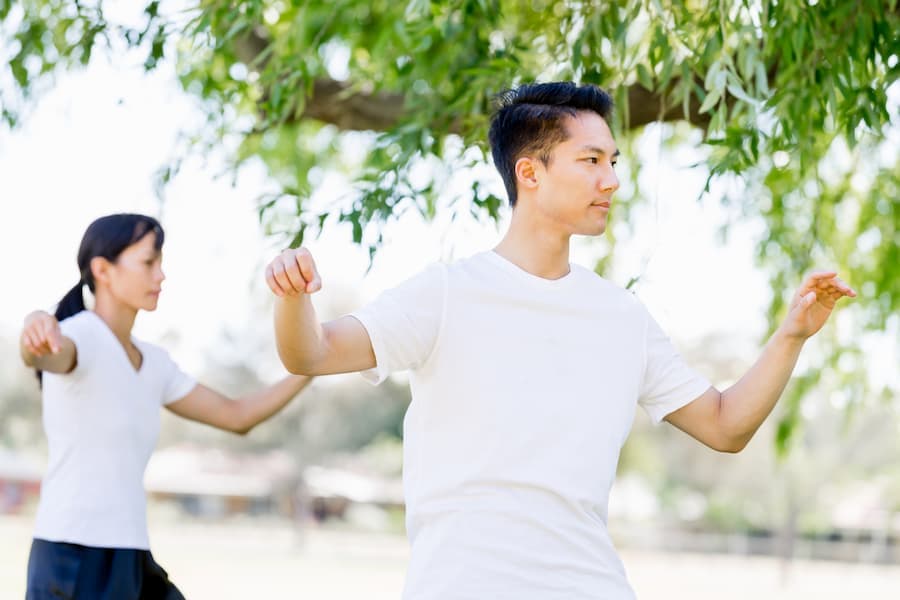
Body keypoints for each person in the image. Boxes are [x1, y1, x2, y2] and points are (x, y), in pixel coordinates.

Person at [264, 82, 856, 599]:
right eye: (592, 160)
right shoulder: (445, 294)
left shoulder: (622, 316)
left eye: (614, 161)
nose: (613, 180)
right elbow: (309, 353)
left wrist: (791, 337)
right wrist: (294, 294)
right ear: (530, 172)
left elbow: (725, 427)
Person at [20, 213, 312, 600]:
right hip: (74, 554)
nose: (161, 276)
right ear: (102, 270)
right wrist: (35, 330)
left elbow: (238, 415)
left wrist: (314, 362)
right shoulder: (80, 335)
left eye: (161, 263)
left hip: (130, 554)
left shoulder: (154, 363)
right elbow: (45, 355)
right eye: (148, 263)